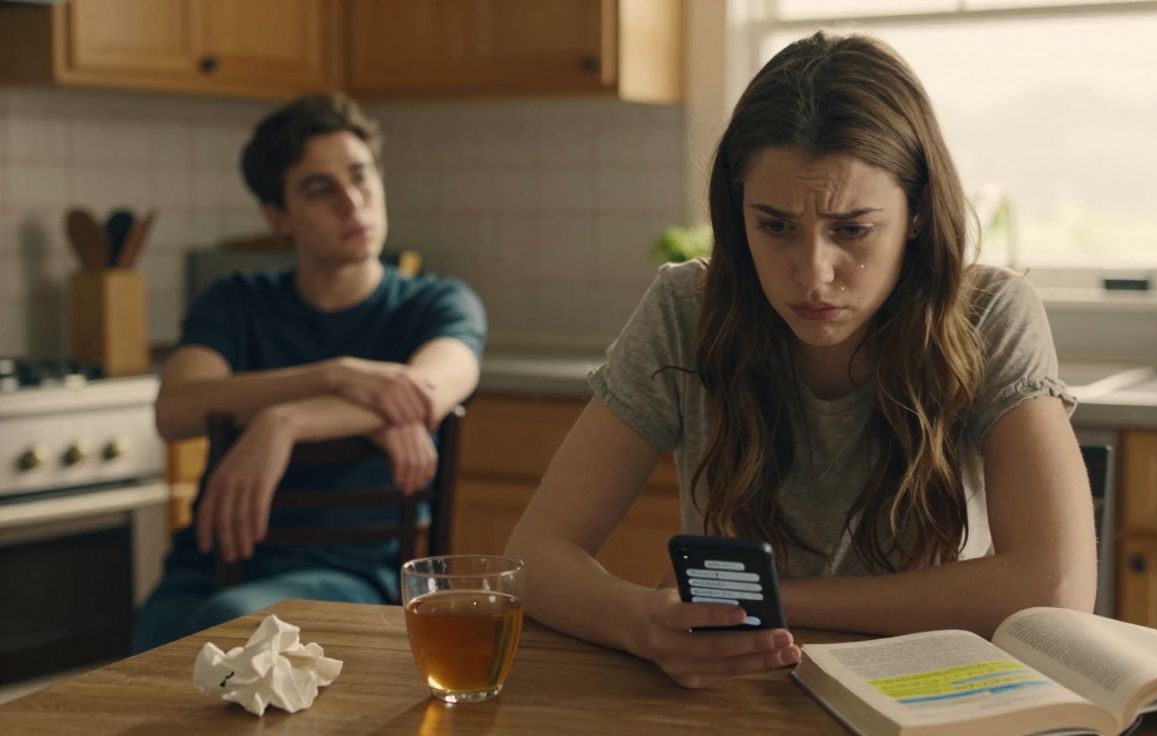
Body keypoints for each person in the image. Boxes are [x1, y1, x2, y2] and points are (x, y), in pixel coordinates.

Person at [505, 32, 1095, 689]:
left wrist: (780, 601)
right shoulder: (685, 310)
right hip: (741, 699)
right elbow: (534, 556)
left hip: (932, 703)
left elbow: (1057, 587)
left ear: (919, 213)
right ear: (738, 216)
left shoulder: (991, 313)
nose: (812, 275)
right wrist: (641, 620)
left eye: (852, 230)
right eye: (776, 227)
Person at [132, 93, 486, 652]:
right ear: (277, 217)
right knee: (147, 651)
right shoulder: (235, 301)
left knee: (229, 625)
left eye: (361, 177)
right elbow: (175, 410)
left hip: (351, 577)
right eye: (320, 189)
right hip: (208, 565)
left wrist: (285, 421)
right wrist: (334, 376)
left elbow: (425, 392)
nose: (352, 203)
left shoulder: (437, 304)